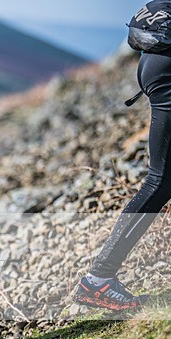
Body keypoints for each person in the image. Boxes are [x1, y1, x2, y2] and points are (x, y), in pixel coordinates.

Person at [74, 50, 168, 311]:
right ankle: (98, 281)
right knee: (160, 180)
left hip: (156, 62)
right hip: (166, 71)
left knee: (162, 179)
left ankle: (99, 279)